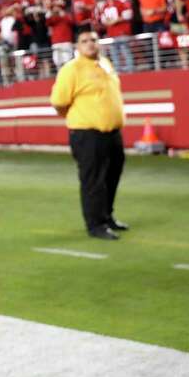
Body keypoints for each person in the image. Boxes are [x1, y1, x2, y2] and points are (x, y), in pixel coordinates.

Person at [50, 31, 129, 240]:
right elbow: (58, 101)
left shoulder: (105, 63)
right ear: (77, 46)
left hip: (112, 132)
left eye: (93, 40)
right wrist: (77, 117)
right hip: (87, 134)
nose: (90, 44)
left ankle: (107, 216)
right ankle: (95, 225)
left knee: (112, 176)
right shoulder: (71, 69)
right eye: (84, 41)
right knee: (93, 180)